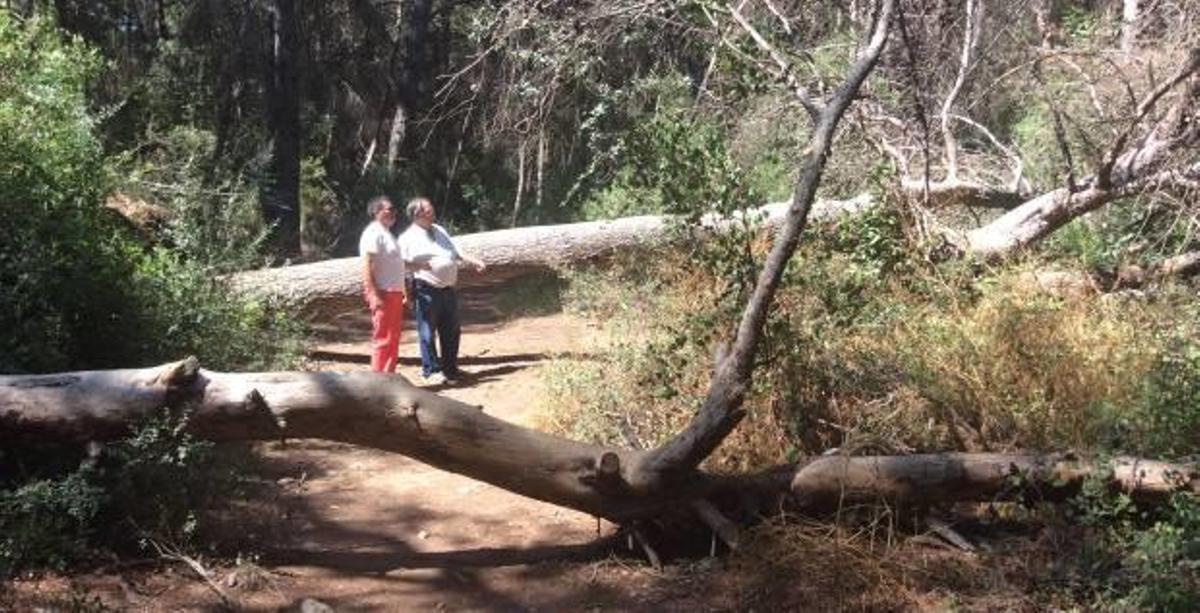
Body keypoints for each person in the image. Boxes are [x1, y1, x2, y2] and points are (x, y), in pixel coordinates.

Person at [399, 197, 486, 384]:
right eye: (428, 209)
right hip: (425, 290)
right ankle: (431, 371)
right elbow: (402, 267)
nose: (432, 211)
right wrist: (408, 295)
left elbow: (457, 252)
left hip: (448, 290)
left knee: (452, 331)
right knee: (427, 333)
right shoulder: (407, 238)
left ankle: (450, 370)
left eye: (431, 208)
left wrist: (475, 262)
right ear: (417, 214)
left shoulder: (439, 230)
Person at [358, 195, 408, 373]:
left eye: (395, 210)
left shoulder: (386, 233)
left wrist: (403, 290)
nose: (394, 213)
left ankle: (389, 378)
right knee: (383, 338)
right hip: (383, 293)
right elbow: (367, 264)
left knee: (393, 337)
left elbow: (396, 265)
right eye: (390, 209)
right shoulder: (373, 233)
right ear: (376, 212)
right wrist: (373, 294)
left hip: (393, 292)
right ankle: (378, 380)